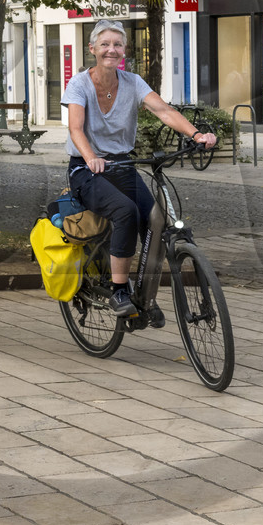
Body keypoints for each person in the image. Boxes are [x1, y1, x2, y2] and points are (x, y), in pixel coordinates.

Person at [66, 20, 216, 318]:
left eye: (117, 44)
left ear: (125, 50)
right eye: (105, 44)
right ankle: (119, 290)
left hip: (122, 164)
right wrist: (91, 156)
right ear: (92, 49)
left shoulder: (133, 82)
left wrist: (196, 135)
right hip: (86, 169)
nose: (111, 49)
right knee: (125, 211)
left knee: (155, 222)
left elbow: (164, 110)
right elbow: (76, 128)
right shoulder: (79, 83)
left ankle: (144, 295)